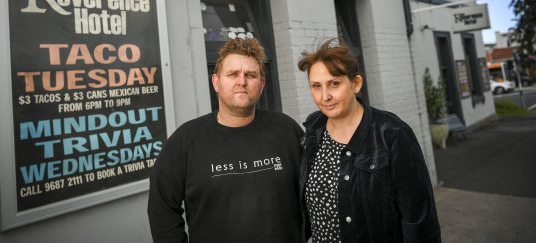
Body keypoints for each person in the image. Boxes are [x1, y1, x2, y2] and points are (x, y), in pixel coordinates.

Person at [147, 37, 304, 243]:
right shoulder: (186, 140)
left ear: (262, 84)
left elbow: (315, 191)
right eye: (233, 74)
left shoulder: (287, 130)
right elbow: (162, 207)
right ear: (216, 82)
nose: (242, 81)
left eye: (251, 75)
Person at [297, 39, 441, 243]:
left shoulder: (391, 133)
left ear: (355, 84)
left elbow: (420, 220)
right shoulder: (313, 131)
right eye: (316, 86)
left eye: (334, 83)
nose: (325, 96)